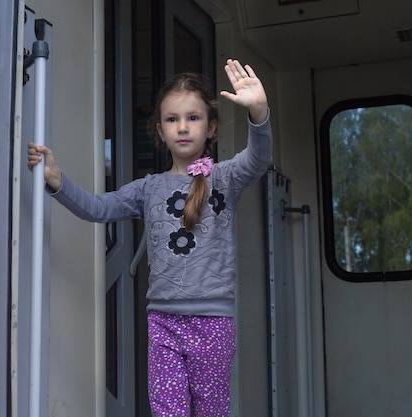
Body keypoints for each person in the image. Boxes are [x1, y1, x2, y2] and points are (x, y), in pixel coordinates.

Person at [27, 58, 272, 416]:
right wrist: (57, 180)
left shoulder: (224, 178)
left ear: (211, 126)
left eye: (194, 117)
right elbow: (97, 208)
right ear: (160, 131)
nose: (183, 127)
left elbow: (258, 158)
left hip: (214, 325)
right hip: (163, 323)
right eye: (172, 119)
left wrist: (259, 113)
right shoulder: (149, 188)